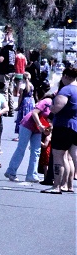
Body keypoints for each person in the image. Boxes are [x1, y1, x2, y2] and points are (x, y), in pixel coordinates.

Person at [43, 66, 77, 194]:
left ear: (66, 76)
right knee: (70, 157)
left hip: (64, 126)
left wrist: (51, 106)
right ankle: (68, 185)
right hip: (76, 126)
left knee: (58, 156)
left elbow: (56, 108)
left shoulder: (66, 90)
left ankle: (56, 186)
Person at [5, 97, 52, 183]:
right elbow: (34, 112)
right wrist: (40, 124)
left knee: (36, 151)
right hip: (28, 124)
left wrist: (47, 130)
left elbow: (50, 123)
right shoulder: (47, 101)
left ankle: (32, 175)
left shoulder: (58, 108)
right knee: (21, 148)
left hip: (38, 129)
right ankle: (11, 171)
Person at [14, 71, 35, 141]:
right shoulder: (31, 85)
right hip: (31, 101)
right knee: (29, 118)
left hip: (25, 101)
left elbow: (20, 97)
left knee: (21, 118)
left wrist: (18, 105)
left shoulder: (22, 85)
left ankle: (20, 135)